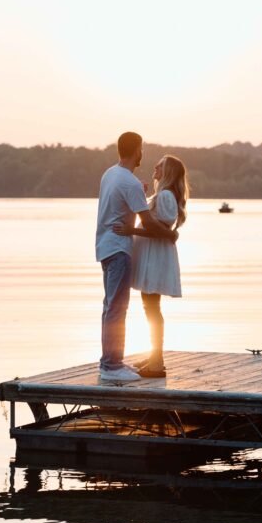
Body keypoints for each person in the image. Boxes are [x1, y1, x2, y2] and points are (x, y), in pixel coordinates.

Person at [95, 132, 178, 383]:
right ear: (137, 150)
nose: (143, 154)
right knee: (117, 308)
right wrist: (170, 235)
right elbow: (150, 223)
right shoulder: (129, 182)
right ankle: (111, 366)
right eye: (142, 149)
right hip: (119, 249)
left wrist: (138, 192)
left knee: (111, 306)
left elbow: (121, 202)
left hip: (105, 247)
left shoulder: (110, 174)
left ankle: (111, 362)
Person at [115, 154, 188, 378]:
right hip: (153, 254)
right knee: (150, 307)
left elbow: (158, 230)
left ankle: (157, 362)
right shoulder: (163, 195)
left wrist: (131, 231)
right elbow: (162, 228)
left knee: (152, 308)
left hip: (155, 256)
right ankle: (155, 356)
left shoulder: (166, 195)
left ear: (168, 173)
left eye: (161, 165)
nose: (155, 166)